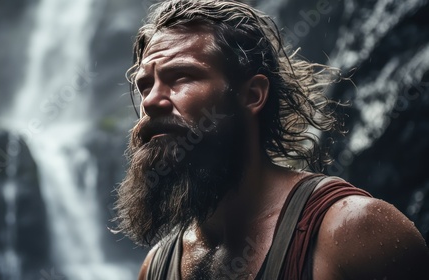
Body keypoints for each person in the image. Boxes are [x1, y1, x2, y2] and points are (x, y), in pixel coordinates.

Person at [114, 0, 429, 279]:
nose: (151, 102)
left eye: (181, 77)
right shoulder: (157, 266)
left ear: (252, 95)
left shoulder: (352, 233)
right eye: (145, 86)